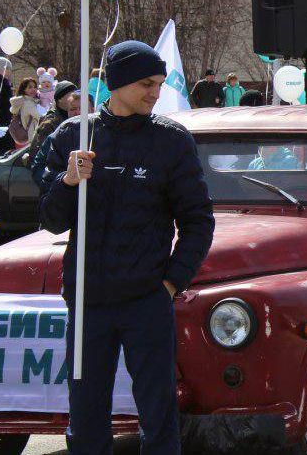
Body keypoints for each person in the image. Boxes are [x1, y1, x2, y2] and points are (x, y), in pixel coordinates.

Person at [40, 40, 214, 454]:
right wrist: (67, 182)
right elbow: (49, 220)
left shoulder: (171, 141)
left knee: (158, 415)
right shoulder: (72, 135)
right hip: (87, 304)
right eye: (146, 84)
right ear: (117, 84)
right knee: (85, 420)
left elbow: (198, 221)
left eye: (158, 83)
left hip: (146, 301)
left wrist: (171, 284)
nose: (155, 92)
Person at [26, 81, 81, 190]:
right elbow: (38, 158)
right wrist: (52, 187)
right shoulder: (50, 124)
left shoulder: (78, 121)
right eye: (70, 94)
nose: (74, 97)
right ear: (59, 99)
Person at [8, 76, 43, 148]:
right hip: (34, 136)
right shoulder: (28, 103)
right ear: (24, 90)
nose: (33, 89)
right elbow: (40, 116)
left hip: (32, 136)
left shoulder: (30, 101)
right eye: (30, 87)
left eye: (35, 87)